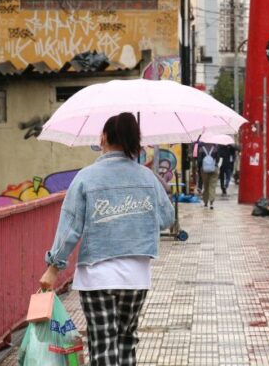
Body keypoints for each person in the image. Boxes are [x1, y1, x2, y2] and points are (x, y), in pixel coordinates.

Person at [39, 112, 175, 366]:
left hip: (97, 276)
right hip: (137, 276)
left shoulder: (86, 177)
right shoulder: (147, 178)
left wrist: (54, 267)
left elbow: (70, 229)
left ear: (103, 137)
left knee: (102, 346)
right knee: (126, 342)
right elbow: (167, 218)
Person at [199, 143, 220, 209]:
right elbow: (218, 159)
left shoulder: (201, 149)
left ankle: (205, 203)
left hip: (204, 170)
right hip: (214, 169)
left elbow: (199, 161)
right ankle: (211, 203)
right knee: (212, 186)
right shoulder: (215, 148)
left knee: (206, 186)